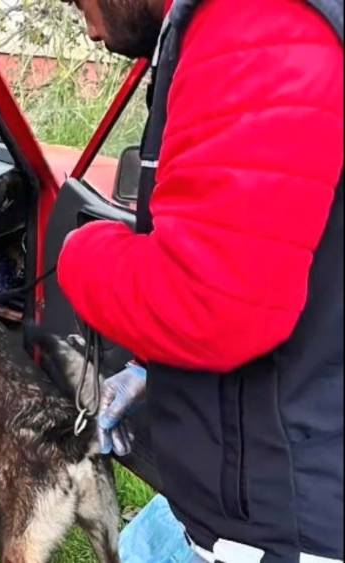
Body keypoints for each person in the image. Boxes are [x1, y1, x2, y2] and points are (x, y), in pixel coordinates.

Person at [56, 0, 343, 562]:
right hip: (253, 484)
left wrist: (79, 251)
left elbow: (211, 303)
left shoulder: (256, 19)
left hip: (282, 524)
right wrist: (148, 367)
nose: (87, 27)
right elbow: (269, 251)